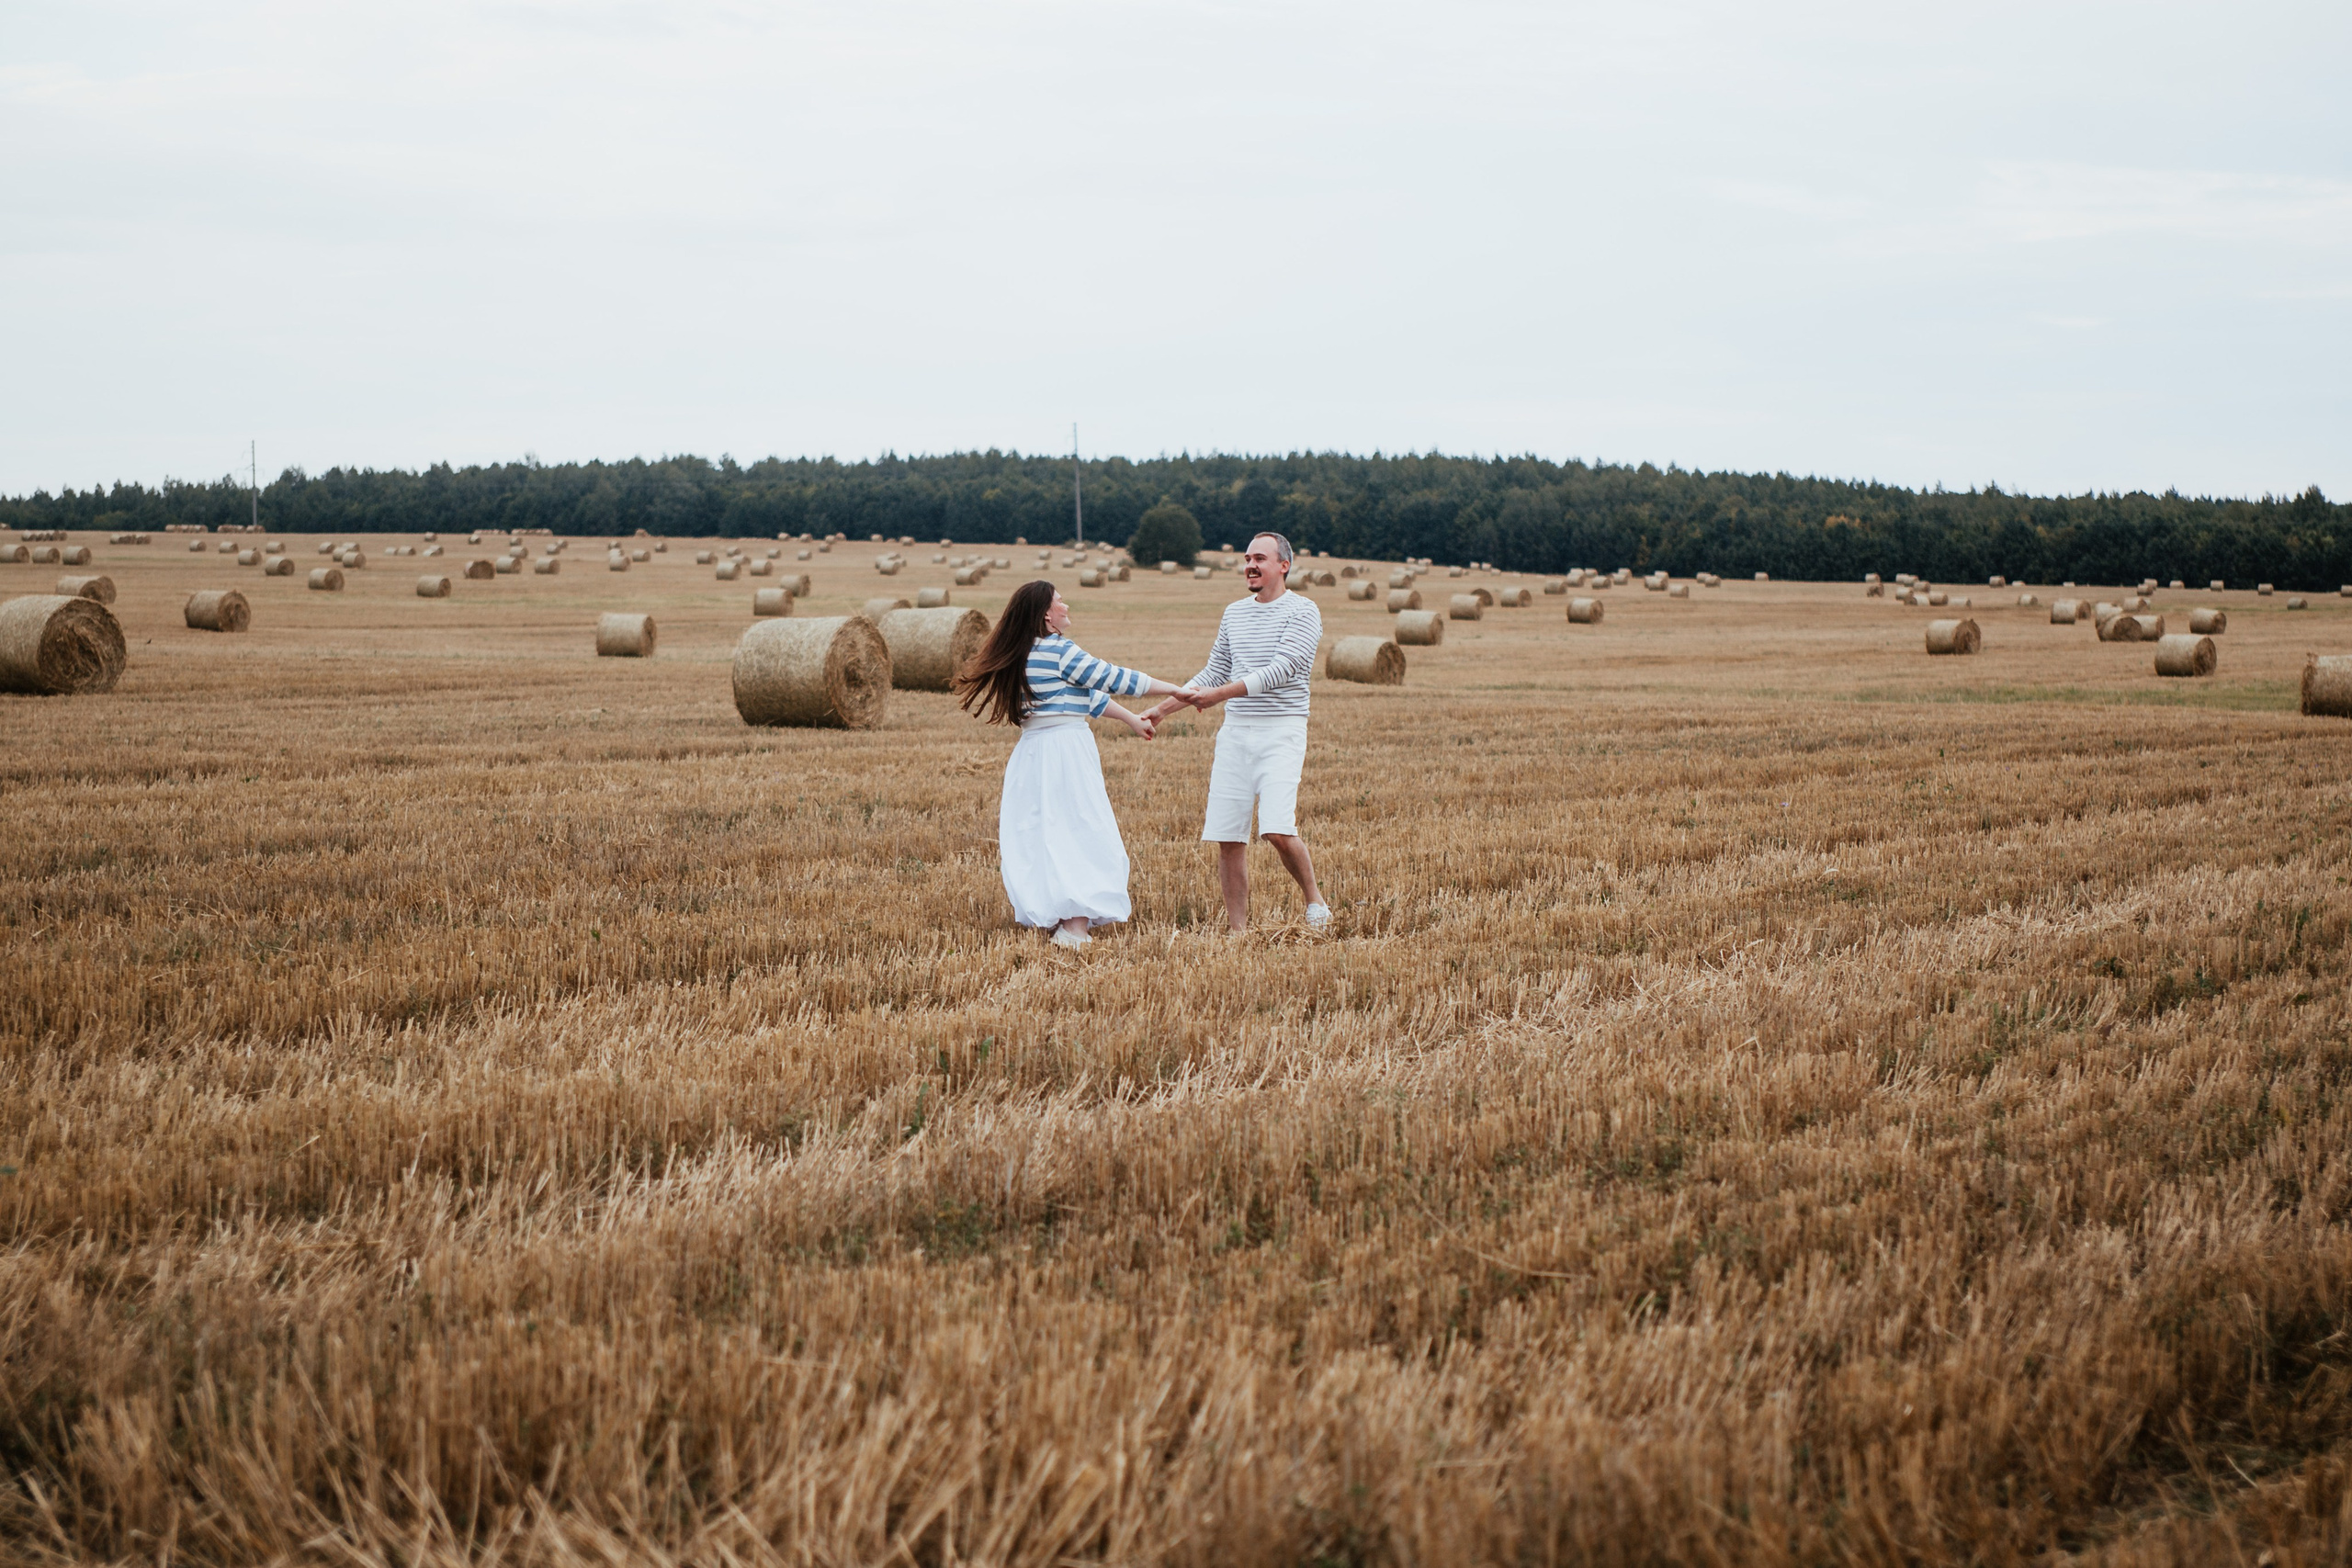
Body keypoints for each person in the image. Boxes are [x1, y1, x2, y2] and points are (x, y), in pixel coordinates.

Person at [954, 579, 1192, 949]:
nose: (1066, 606)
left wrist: (1131, 719)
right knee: (1079, 829)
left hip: (1033, 752)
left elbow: (1084, 695)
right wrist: (1174, 689)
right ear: (1047, 615)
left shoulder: (1025, 653)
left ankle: (1063, 919)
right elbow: (1110, 677)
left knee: (1047, 834)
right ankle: (1074, 928)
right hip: (1065, 750)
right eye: (1060, 601)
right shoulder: (1058, 650)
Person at [1146, 531, 1330, 932]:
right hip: (1235, 733)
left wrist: (1220, 695)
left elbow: (1282, 670)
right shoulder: (1234, 613)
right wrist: (1162, 709)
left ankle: (1314, 899)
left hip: (1281, 730)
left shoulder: (1303, 611)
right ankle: (1238, 931)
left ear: (1283, 565)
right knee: (1229, 837)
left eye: (1259, 558)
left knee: (1277, 829)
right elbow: (1214, 671)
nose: (1250, 565)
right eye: (1247, 559)